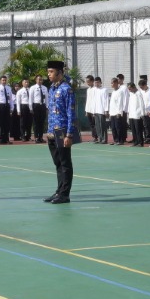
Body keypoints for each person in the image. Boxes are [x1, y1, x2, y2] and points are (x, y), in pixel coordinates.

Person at [43, 60, 77, 203]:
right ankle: (59, 190)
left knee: (65, 163)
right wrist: (48, 131)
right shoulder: (52, 88)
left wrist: (69, 134)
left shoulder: (66, 89)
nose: (48, 74)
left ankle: (65, 194)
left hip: (62, 132)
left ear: (60, 73)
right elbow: (51, 112)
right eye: (48, 71)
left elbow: (71, 113)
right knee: (57, 163)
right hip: (52, 132)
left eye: (51, 72)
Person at [0, 75, 15, 145]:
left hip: (7, 106)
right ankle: (1, 138)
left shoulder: (8, 88)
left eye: (5, 80)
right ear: (0, 81)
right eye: (3, 80)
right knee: (1, 123)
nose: (4, 81)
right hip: (1, 105)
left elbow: (11, 99)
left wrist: (12, 108)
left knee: (7, 123)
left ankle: (6, 138)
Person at [85, 75, 107, 144]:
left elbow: (106, 100)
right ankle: (100, 138)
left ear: (100, 82)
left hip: (101, 110)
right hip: (95, 110)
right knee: (97, 126)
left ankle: (104, 139)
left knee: (102, 125)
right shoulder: (93, 90)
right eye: (96, 83)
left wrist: (106, 110)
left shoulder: (104, 90)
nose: (96, 84)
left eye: (98, 82)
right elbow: (91, 101)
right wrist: (91, 111)